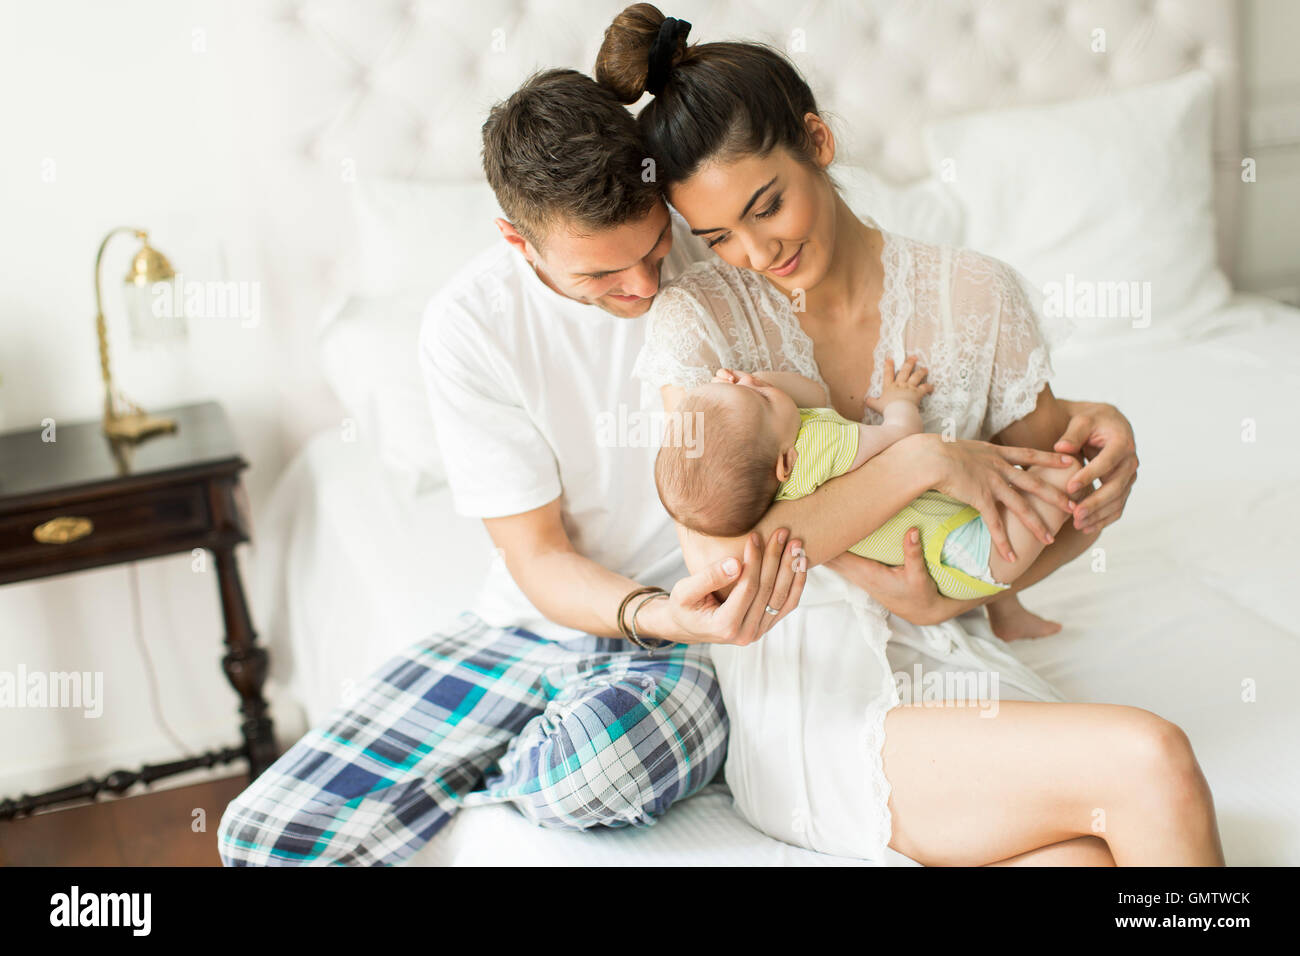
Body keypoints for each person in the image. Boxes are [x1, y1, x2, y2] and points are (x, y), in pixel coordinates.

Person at [217, 68, 1109, 866]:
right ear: (518, 242)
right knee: (263, 837)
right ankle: (467, 786)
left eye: (653, 252)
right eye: (602, 278)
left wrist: (1079, 422)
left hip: (692, 640)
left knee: (595, 772)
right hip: (557, 619)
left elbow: (890, 346)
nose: (645, 291)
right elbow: (537, 559)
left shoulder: (726, 252)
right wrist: (654, 615)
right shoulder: (470, 328)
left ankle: (491, 788)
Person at [600, 3, 1224, 865]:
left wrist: (1091, 482)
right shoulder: (697, 325)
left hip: (955, 661)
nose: (753, 251)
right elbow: (720, 571)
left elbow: (1044, 510)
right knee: (1152, 760)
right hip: (812, 692)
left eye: (766, 206)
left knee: (1086, 859)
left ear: (816, 141)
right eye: (716, 236)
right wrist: (923, 460)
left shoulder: (977, 297)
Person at [656, 361, 1085, 609]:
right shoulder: (819, 446)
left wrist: (752, 395)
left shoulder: (769, 475)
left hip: (945, 560)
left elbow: (807, 395)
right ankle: (1004, 604)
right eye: (762, 396)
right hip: (963, 547)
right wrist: (901, 401)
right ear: (787, 462)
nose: (752, 381)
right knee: (1068, 472)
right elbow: (901, 438)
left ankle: (1006, 613)